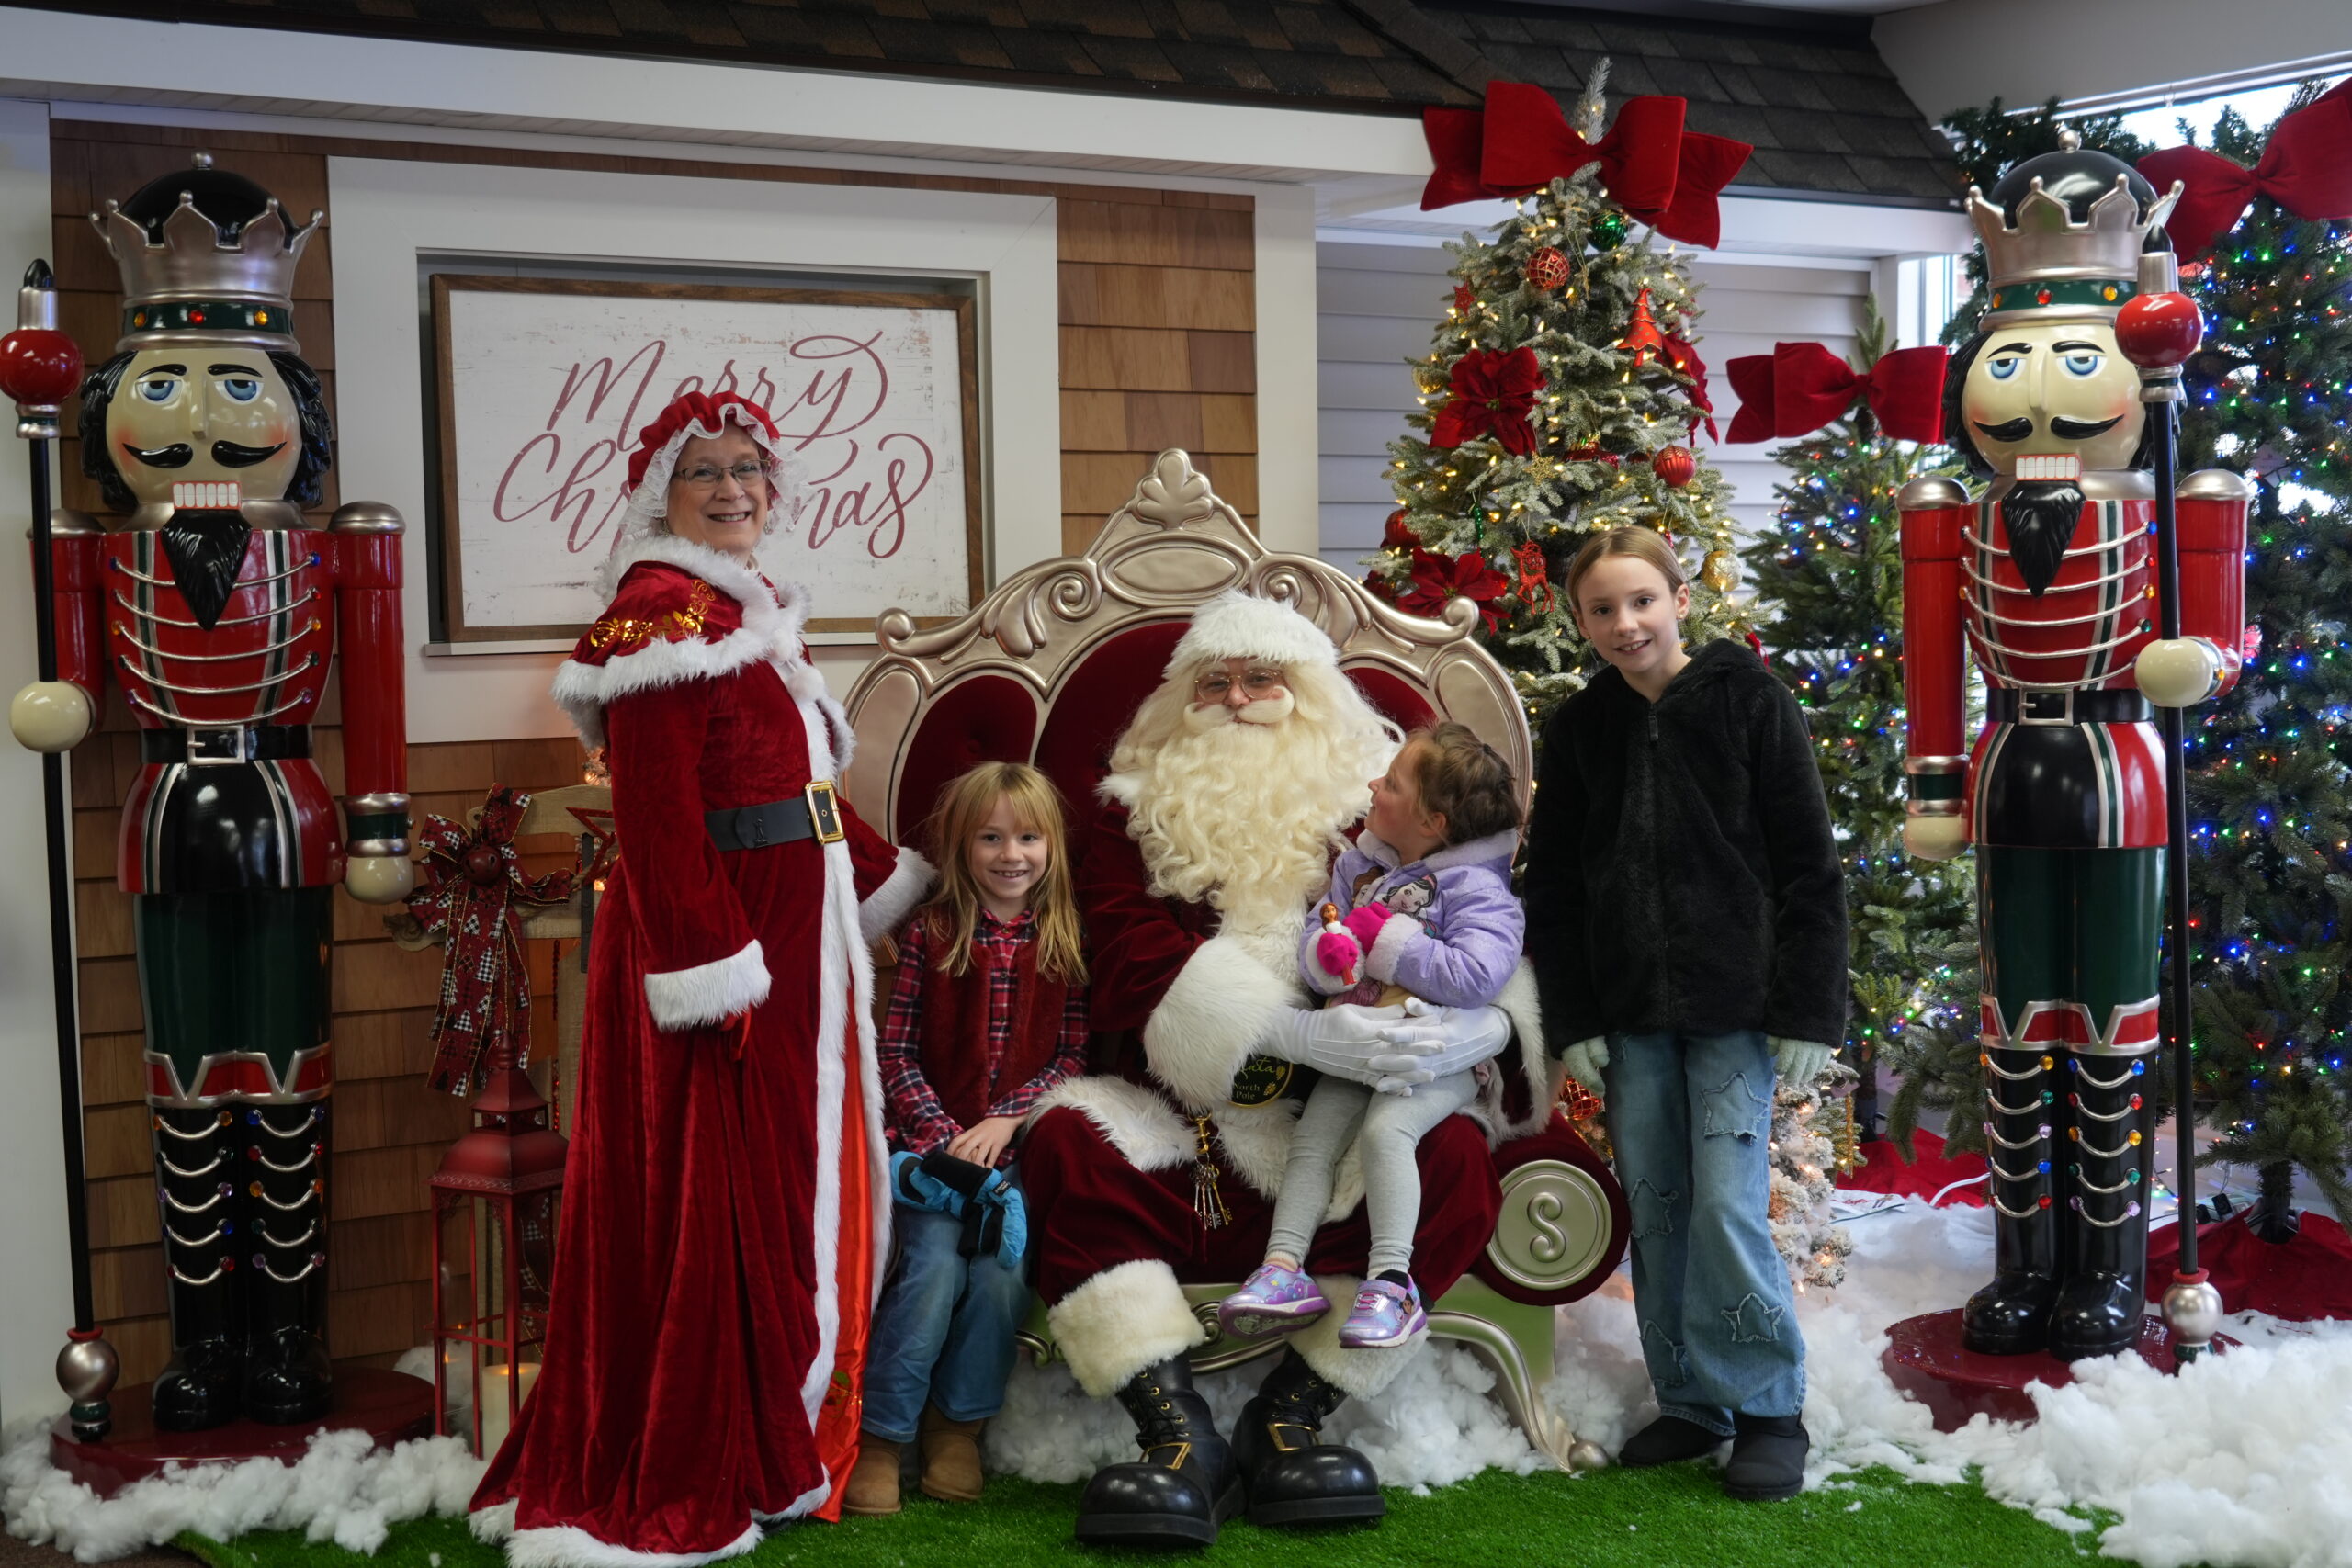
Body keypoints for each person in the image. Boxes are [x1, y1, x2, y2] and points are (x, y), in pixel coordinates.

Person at [470, 390, 931, 1565]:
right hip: (728, 950)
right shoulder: (660, 616)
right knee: (728, 1187)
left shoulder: (750, 608)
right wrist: (712, 968)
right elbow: (659, 815)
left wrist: (896, 885)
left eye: (748, 469)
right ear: (659, 495)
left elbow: (802, 796)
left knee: (786, 1176)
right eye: (705, 473)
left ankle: (791, 1409)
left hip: (797, 931)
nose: (733, 490)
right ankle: (720, 1434)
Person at [1021, 591, 1551, 1547]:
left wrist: (1482, 1032)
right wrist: (1293, 1035)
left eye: (1261, 678)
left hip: (1342, 1114)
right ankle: (1175, 1432)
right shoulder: (1132, 810)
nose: (1235, 698)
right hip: (1180, 1119)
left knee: (1454, 1166)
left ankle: (1290, 1414)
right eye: (1213, 682)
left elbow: (1479, 921)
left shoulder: (1376, 807)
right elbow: (1131, 957)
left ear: (1308, 693)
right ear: (1179, 700)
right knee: (1064, 1140)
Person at [1521, 526, 1847, 1504]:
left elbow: (1809, 865)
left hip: (1736, 1009)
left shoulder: (1752, 702)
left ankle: (1768, 1409)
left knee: (1725, 1206)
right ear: (1580, 621)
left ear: (1680, 600)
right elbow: (1556, 887)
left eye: (1641, 601)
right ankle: (1693, 1399)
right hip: (1629, 1016)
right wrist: (1574, 1014)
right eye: (1602, 610)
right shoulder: (1583, 729)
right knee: (1657, 1207)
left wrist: (1807, 1008)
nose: (1625, 624)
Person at [1221, 724, 1526, 1350]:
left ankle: (1391, 1284)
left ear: (1433, 821)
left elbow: (1477, 975)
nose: (1372, 785)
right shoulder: (1360, 865)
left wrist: (1386, 938)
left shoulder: (1477, 888)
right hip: (1353, 1043)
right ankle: (1282, 1269)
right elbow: (1322, 928)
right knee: (1314, 1139)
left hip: (1430, 1055)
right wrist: (1326, 957)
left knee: (1388, 1133)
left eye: (1391, 783)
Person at [845, 762, 1090, 1517]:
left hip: (1010, 1161)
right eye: (991, 838)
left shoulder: (1065, 939)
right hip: (932, 1157)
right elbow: (895, 1052)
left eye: (1027, 837)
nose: (1010, 854)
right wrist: (946, 1136)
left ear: (1050, 846)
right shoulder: (933, 932)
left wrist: (1007, 1118)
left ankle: (958, 1428)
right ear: (962, 845)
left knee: (999, 1279)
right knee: (931, 1270)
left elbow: (1070, 1057)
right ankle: (885, 1433)